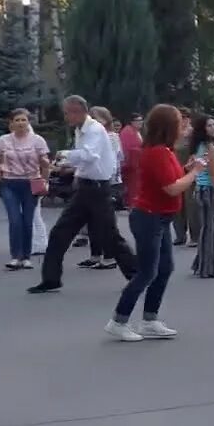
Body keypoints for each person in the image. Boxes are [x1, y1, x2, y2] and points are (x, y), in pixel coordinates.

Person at [105, 105, 206, 341]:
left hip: (158, 217)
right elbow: (172, 188)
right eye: (181, 123)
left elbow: (170, 177)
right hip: (148, 216)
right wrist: (195, 173)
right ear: (169, 127)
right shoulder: (157, 152)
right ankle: (118, 320)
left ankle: (149, 319)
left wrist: (186, 169)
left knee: (164, 268)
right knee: (147, 271)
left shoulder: (164, 151)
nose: (186, 127)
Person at [28, 96, 138, 294]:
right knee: (60, 232)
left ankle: (137, 275)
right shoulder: (81, 130)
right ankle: (51, 279)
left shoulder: (94, 129)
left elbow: (89, 155)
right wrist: (68, 167)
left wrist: (65, 155)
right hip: (85, 188)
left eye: (68, 112)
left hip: (97, 189)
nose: (66, 116)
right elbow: (86, 162)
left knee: (110, 236)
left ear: (78, 111)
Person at [0, 109, 51, 270]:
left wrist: (44, 181)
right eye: (17, 120)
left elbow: (45, 164)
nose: (21, 123)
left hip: (31, 183)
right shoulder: (4, 140)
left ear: (28, 122)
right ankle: (15, 257)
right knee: (15, 220)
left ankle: (26, 257)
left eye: (24, 120)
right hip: (10, 183)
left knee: (27, 221)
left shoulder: (37, 140)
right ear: (11, 124)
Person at [78, 107, 124, 269]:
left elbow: (110, 159)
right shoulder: (90, 134)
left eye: (98, 118)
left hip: (106, 181)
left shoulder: (111, 137)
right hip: (91, 180)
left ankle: (110, 255)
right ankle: (95, 254)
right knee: (92, 219)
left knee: (104, 220)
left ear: (106, 119)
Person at [189, 113, 214, 278]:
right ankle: (207, 268)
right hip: (208, 190)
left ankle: (200, 263)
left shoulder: (199, 147)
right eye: (209, 125)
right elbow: (213, 172)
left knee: (206, 228)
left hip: (201, 189)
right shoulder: (209, 148)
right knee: (209, 229)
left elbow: (189, 166)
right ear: (202, 129)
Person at [172, 109, 201, 246]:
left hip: (189, 172)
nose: (183, 120)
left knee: (191, 205)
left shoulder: (193, 135)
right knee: (177, 205)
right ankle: (180, 235)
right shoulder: (173, 134)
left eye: (185, 117)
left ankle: (195, 236)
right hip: (175, 172)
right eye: (180, 117)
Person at [119, 112, 143, 208]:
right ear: (132, 122)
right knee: (132, 186)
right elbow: (125, 148)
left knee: (135, 186)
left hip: (137, 163)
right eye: (138, 121)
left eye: (141, 120)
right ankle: (132, 204)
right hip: (130, 163)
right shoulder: (127, 132)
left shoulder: (137, 132)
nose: (140, 123)